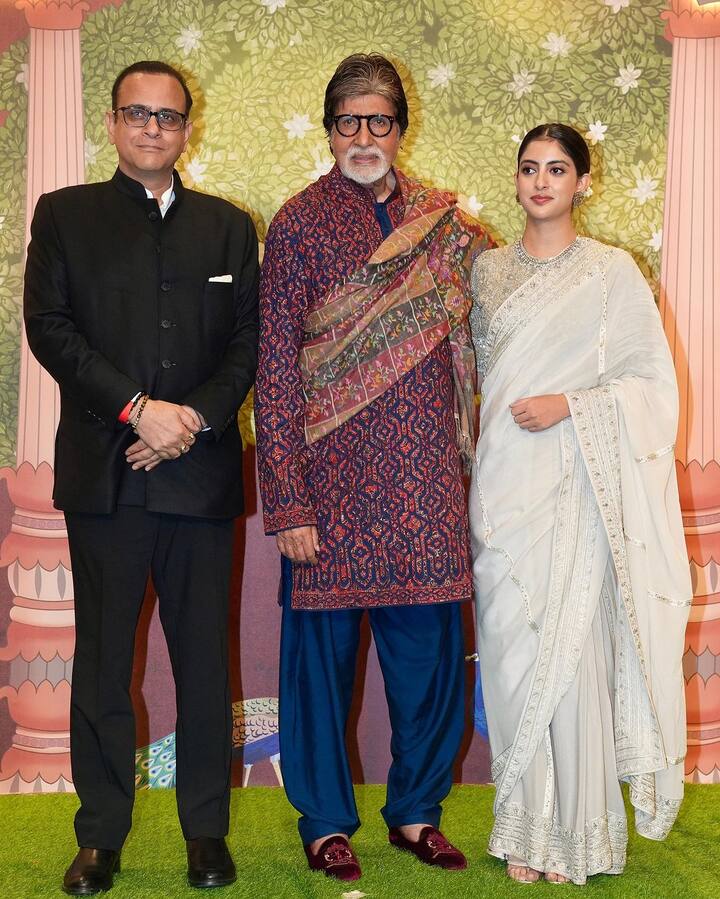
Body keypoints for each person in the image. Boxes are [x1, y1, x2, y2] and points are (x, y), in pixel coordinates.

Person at [255, 53, 492, 881]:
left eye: (379, 121)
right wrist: (287, 503)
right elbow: (276, 368)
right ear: (329, 130)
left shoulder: (444, 227)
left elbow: (491, 337)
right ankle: (324, 820)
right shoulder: (297, 224)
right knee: (318, 671)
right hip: (328, 490)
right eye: (349, 121)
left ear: (400, 128)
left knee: (429, 668)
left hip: (426, 481)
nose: (365, 136)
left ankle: (417, 811)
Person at [23, 61, 259, 894]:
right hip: (107, 477)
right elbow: (49, 329)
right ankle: (100, 836)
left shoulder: (230, 228)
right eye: (137, 113)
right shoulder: (65, 216)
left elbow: (245, 347)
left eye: (169, 116)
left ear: (189, 126)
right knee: (102, 666)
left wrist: (184, 419)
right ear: (114, 122)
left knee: (203, 663)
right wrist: (136, 409)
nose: (153, 128)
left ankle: (207, 832)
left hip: (197, 479)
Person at [469, 123, 691, 885]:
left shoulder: (612, 274)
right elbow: (475, 388)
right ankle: (523, 827)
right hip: (501, 490)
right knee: (510, 655)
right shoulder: (487, 271)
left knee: (572, 658)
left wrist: (570, 402)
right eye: (529, 167)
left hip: (576, 486)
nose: (540, 182)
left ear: (583, 182)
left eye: (556, 169)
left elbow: (652, 391)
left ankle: (577, 833)